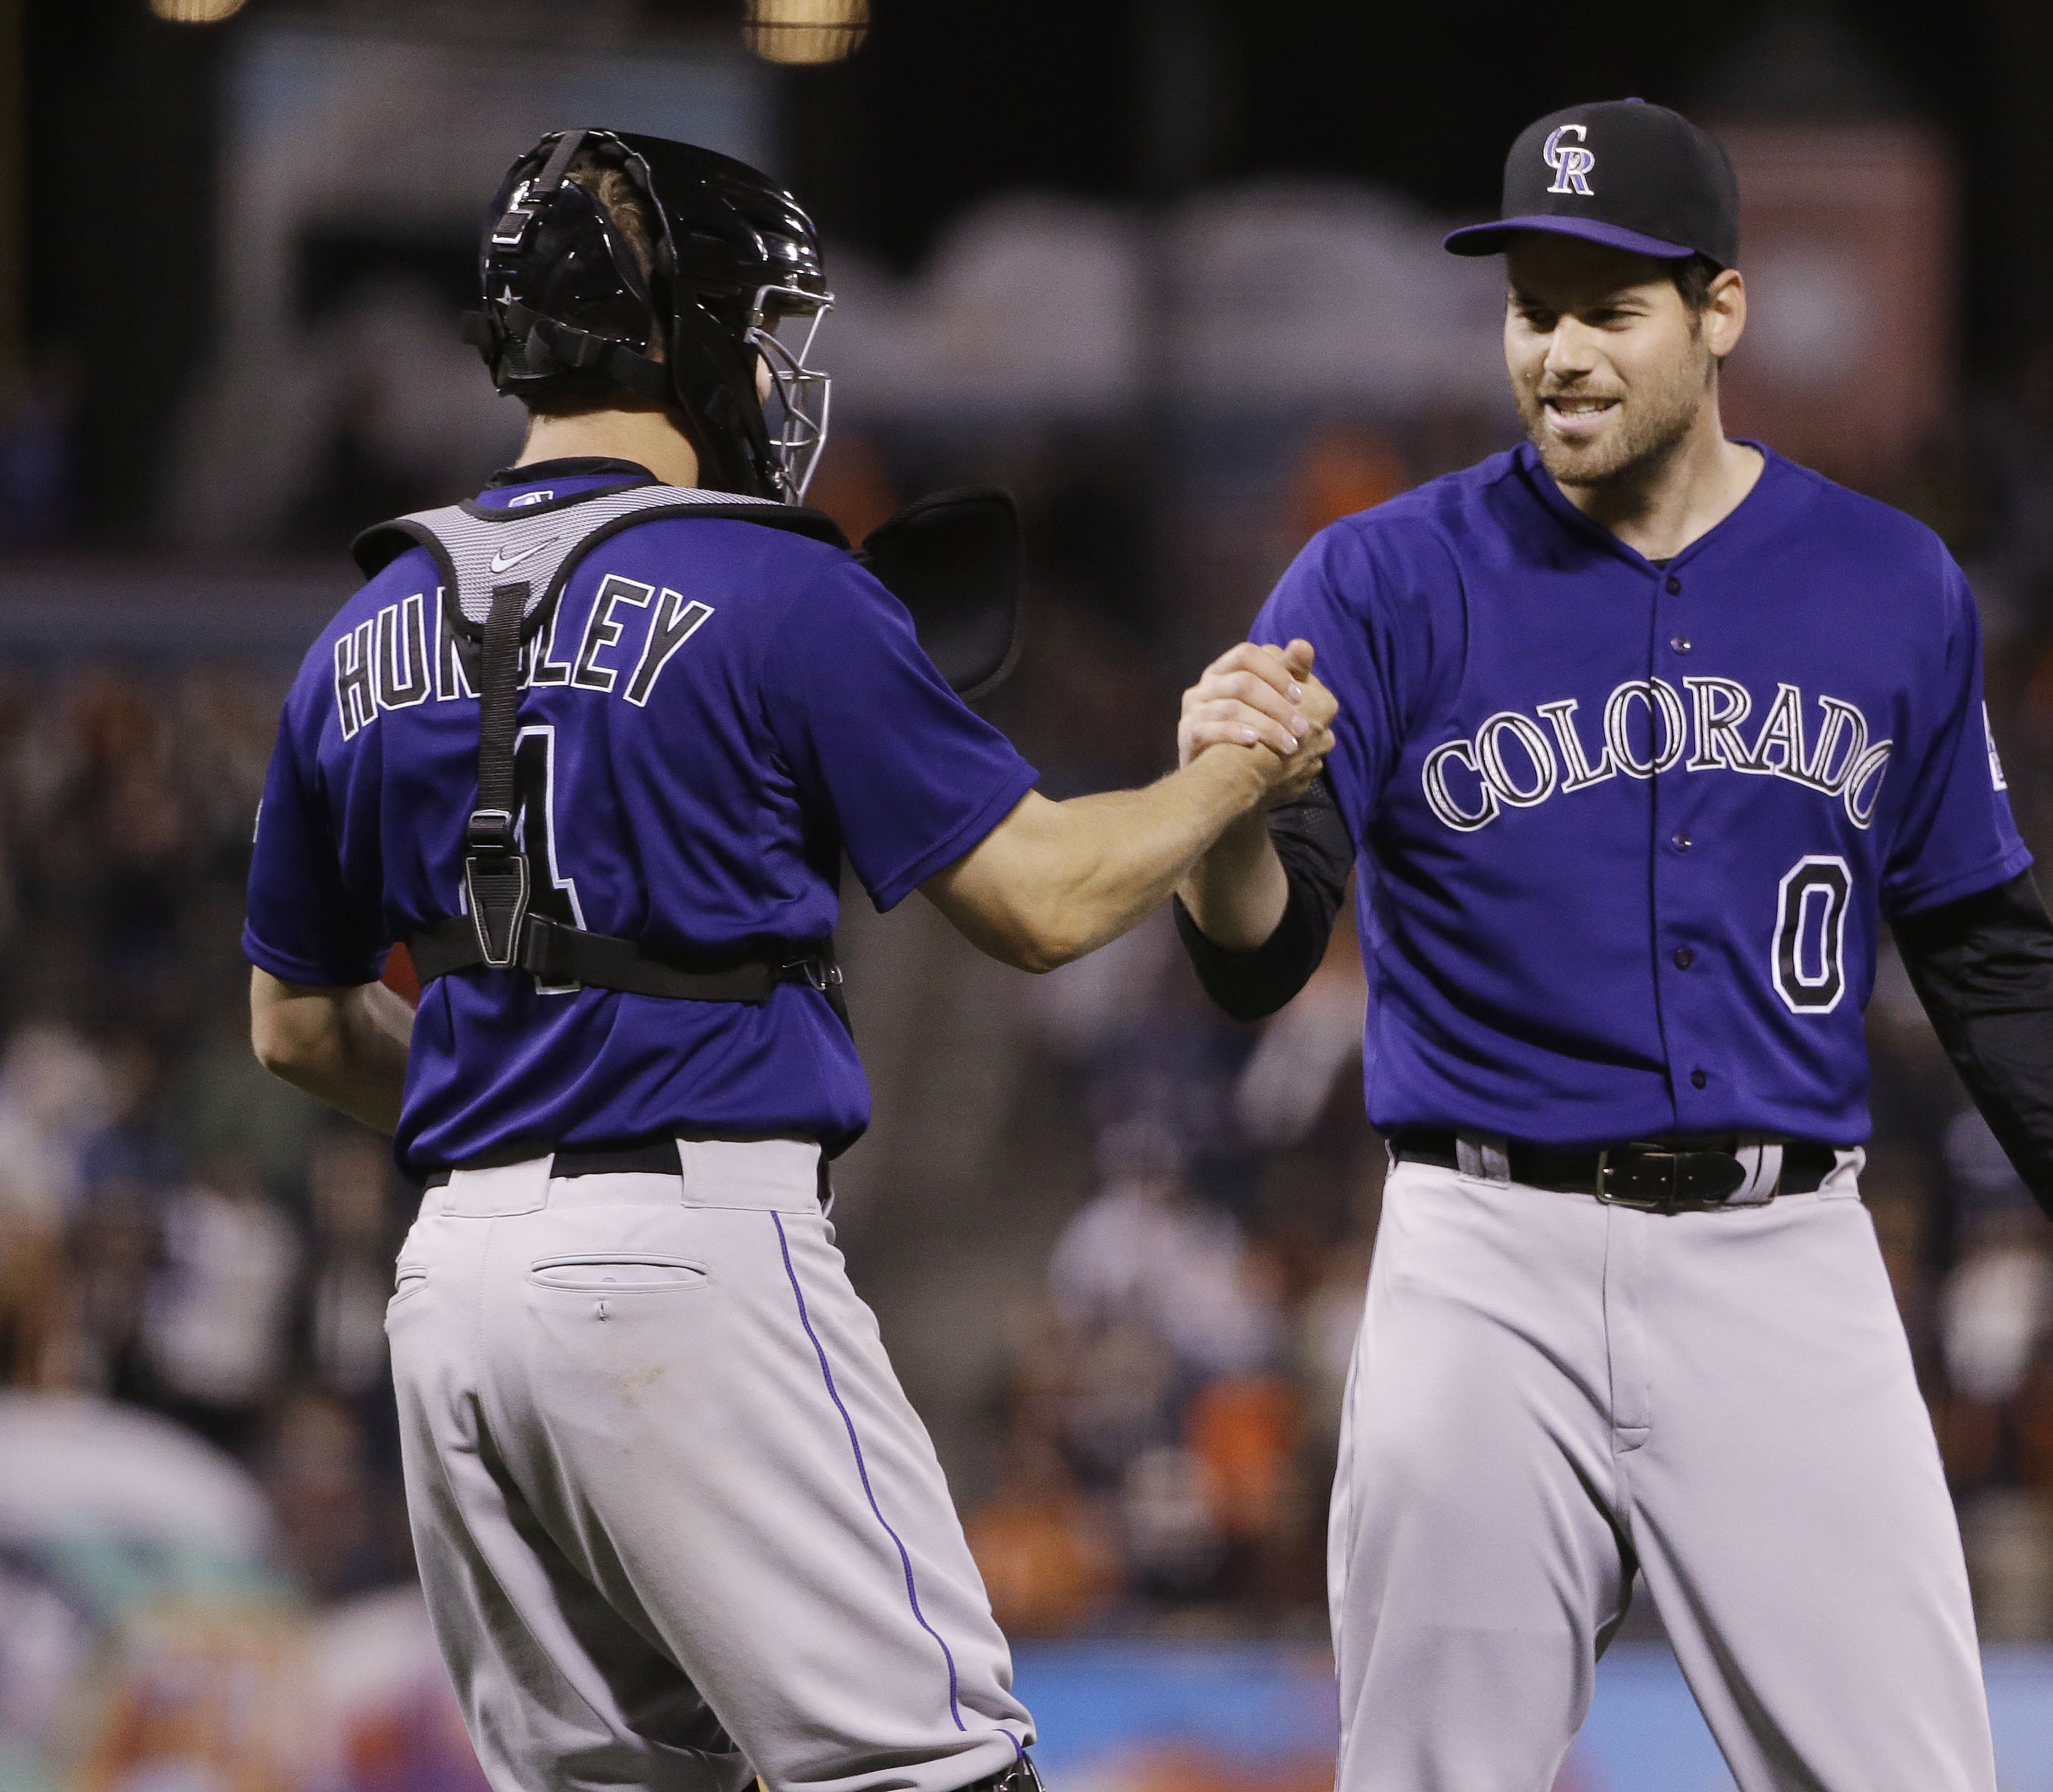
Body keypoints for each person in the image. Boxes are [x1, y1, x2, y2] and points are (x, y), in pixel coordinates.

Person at [1170, 98, 2053, 1791]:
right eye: (1528, 308)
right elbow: (1252, 963)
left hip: (1781, 1262)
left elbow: (1989, 963)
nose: (1558, 352)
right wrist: (1213, 824)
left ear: (1720, 310)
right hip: (1479, 1264)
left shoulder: (1891, 584)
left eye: (1606, 306)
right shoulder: (1373, 580)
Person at [242, 129, 1333, 1792]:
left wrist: (508, 1114)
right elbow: (1037, 903)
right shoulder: (767, 582)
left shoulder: (358, 628)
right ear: (671, 331)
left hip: (451, 1284)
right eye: (752, 321)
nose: (770, 364)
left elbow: (297, 1027)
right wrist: (1233, 778)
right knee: (937, 1769)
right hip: (686, 1252)